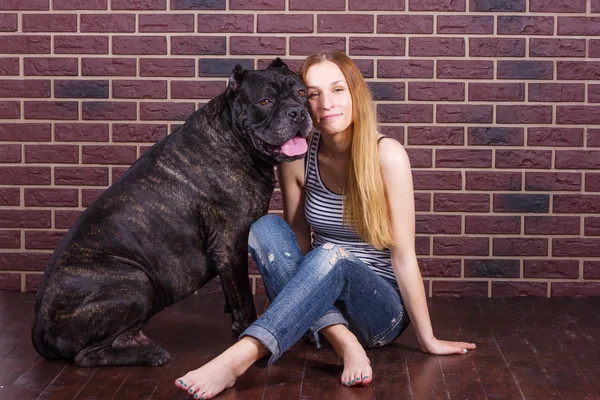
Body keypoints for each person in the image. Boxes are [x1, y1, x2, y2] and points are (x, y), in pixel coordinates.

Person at [174, 50, 476, 399]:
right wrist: (294, 305)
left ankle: (237, 359)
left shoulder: (387, 155)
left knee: (332, 252)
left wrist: (427, 339)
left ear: (354, 94)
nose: (326, 103)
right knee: (265, 229)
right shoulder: (297, 155)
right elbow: (297, 242)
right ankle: (344, 342)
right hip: (321, 306)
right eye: (313, 94)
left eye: (337, 90)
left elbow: (404, 256)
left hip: (379, 315)